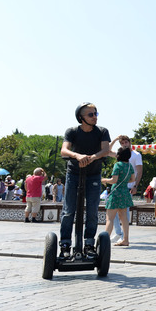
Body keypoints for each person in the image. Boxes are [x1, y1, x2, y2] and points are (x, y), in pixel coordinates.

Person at [59, 102, 111, 260]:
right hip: (74, 173)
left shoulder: (102, 131)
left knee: (92, 211)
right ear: (81, 118)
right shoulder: (72, 132)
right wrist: (78, 156)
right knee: (68, 210)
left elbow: (105, 150)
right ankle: (65, 245)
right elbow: (64, 150)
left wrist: (92, 158)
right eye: (91, 114)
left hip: (93, 174)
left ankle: (89, 244)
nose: (95, 117)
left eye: (96, 114)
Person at [108, 135, 143, 242]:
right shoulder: (120, 153)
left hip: (129, 186)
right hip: (118, 186)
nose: (124, 144)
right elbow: (107, 151)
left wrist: (136, 185)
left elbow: (139, 171)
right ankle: (119, 233)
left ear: (130, 142)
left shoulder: (136, 155)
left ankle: (123, 235)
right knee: (114, 210)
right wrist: (114, 140)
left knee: (124, 211)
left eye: (126, 142)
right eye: (122, 143)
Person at [101, 147, 135, 246]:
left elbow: (114, 180)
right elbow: (132, 179)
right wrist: (124, 182)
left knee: (110, 218)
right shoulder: (129, 166)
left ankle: (105, 242)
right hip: (125, 193)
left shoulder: (117, 165)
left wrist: (104, 180)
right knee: (124, 218)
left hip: (116, 193)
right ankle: (125, 240)